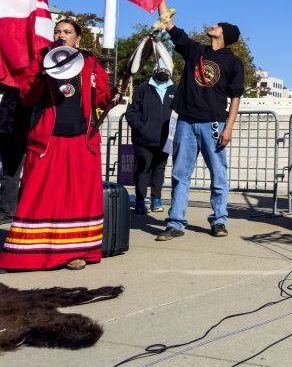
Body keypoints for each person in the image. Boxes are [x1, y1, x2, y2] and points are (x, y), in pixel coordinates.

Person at [0, 19, 111, 271]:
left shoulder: (90, 64)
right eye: (58, 31)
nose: (62, 35)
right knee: (40, 197)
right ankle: (32, 254)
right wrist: (41, 74)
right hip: (47, 143)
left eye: (68, 32)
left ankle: (76, 253)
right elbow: (27, 99)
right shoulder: (41, 60)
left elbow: (102, 97)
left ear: (78, 38)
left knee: (77, 200)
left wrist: (114, 93)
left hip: (82, 142)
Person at [154, 0, 244, 241]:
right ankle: (175, 223)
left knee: (218, 174)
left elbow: (236, 97)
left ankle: (219, 220)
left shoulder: (234, 63)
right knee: (180, 174)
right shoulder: (196, 50)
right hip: (185, 121)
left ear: (226, 35)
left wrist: (229, 128)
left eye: (218, 26)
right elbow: (170, 25)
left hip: (214, 124)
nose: (213, 26)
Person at [124, 60, 176, 214]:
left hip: (165, 139)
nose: (163, 72)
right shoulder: (143, 89)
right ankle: (140, 201)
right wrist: (141, 127)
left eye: (166, 70)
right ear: (154, 70)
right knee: (143, 169)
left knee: (159, 170)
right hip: (143, 140)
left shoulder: (176, 89)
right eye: (160, 69)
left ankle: (156, 199)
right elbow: (131, 112)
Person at [0, 84, 30, 226]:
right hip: (9, 125)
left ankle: (10, 209)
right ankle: (8, 209)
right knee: (10, 170)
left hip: (19, 124)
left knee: (12, 170)